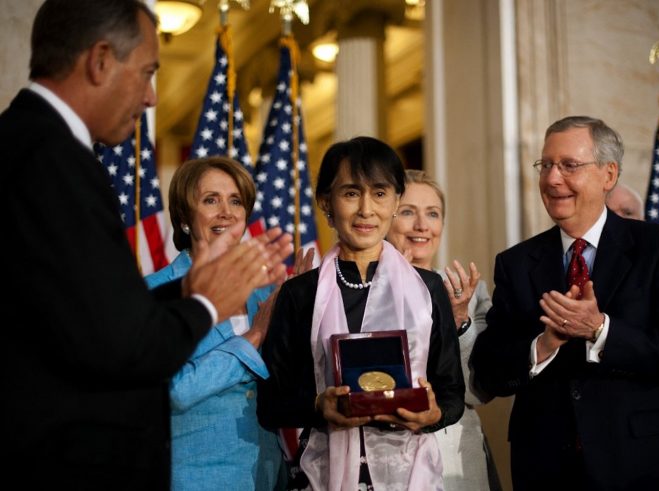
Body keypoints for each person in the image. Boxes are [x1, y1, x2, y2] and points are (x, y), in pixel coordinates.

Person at [0, 1, 292, 488]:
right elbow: (115, 348)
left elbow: (86, 320)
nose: (153, 96)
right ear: (99, 61)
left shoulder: (29, 144)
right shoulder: (49, 159)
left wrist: (187, 295)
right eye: (147, 72)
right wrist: (202, 303)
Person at [471, 116, 659, 490]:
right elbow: (489, 371)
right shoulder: (515, 263)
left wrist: (600, 330)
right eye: (545, 165)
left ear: (608, 175)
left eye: (569, 166)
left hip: (639, 463)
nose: (552, 179)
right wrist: (542, 346)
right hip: (544, 466)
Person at [257, 136, 465, 490]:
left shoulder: (429, 288)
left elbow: (451, 395)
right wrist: (319, 405)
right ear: (326, 202)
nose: (366, 209)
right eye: (351, 193)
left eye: (380, 193)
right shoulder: (300, 293)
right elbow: (270, 404)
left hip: (411, 476)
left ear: (397, 200)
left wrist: (433, 415)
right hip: (323, 476)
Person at [144, 157, 291, 490]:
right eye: (211, 200)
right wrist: (252, 338)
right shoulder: (155, 291)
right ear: (183, 217)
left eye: (236, 201)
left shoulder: (266, 291)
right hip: (193, 477)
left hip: (266, 476)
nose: (227, 211)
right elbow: (174, 390)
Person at [386, 169, 500, 490]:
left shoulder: (469, 292)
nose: (422, 226)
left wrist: (458, 319)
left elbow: (479, 390)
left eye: (433, 214)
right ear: (385, 219)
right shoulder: (358, 290)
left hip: (455, 463)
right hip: (385, 457)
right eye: (408, 212)